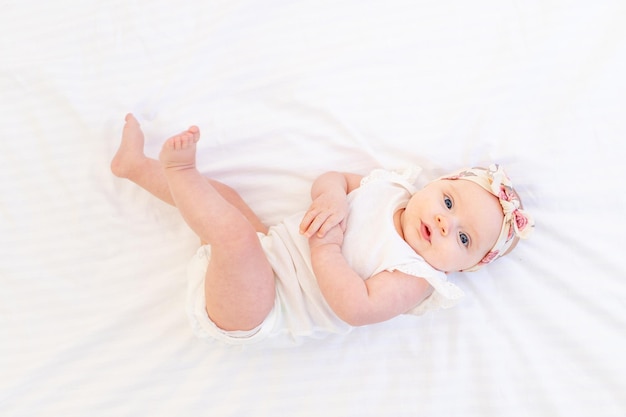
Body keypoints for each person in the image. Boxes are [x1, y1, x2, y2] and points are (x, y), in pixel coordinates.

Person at [111, 114, 534, 345]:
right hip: (269, 248)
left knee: (233, 238)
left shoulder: (416, 277)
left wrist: (326, 250)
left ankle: (181, 171)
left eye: (463, 239)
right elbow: (334, 178)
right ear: (437, 183)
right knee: (229, 203)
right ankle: (134, 167)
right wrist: (330, 197)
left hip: (262, 305)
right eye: (448, 201)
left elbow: (358, 308)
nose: (445, 222)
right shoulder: (391, 186)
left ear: (464, 268)